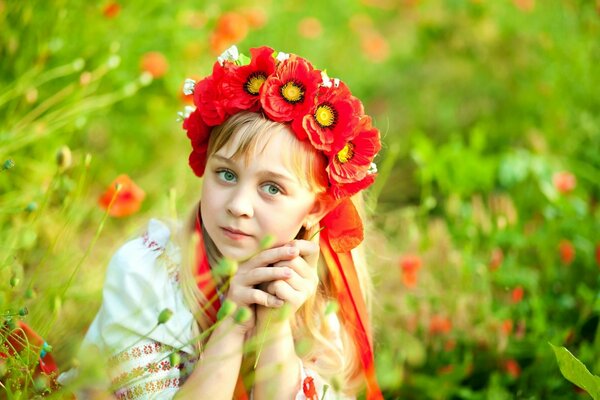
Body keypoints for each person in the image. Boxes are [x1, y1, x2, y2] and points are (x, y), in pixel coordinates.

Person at [71, 45, 383, 400]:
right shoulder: (146, 274)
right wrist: (233, 326)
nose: (238, 206)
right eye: (226, 174)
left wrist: (275, 330)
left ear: (316, 208)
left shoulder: (312, 300)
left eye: (271, 188)